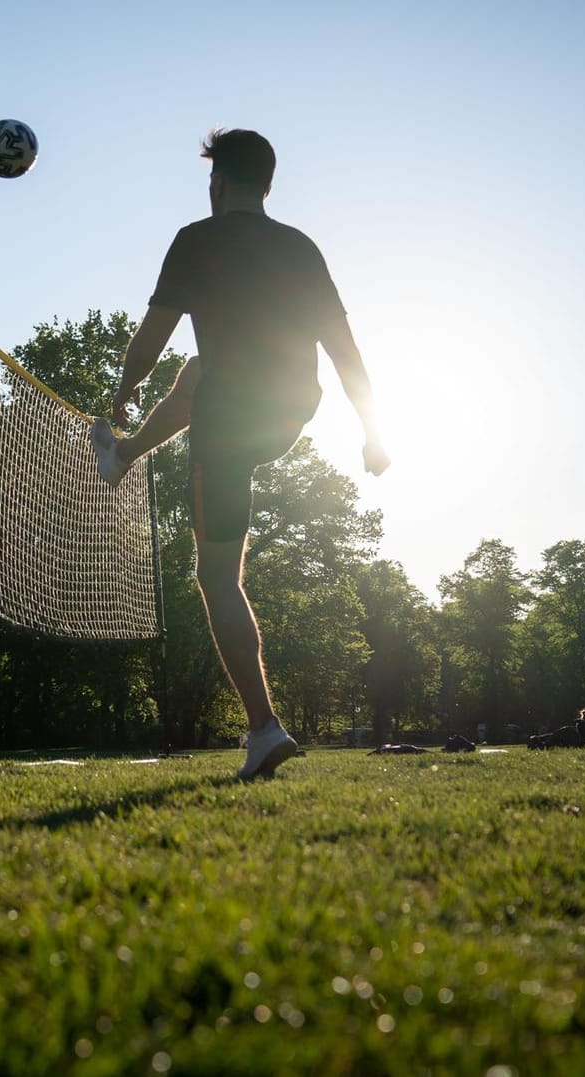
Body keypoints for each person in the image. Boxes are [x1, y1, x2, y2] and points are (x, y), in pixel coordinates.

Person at [91, 128, 389, 780]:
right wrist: (373, 430)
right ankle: (125, 458)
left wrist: (124, 388)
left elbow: (149, 340)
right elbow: (345, 348)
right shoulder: (301, 247)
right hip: (288, 410)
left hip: (228, 421)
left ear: (217, 182)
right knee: (199, 371)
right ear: (268, 183)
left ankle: (262, 727)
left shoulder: (198, 240)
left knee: (217, 578)